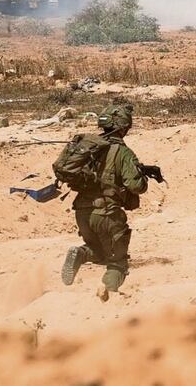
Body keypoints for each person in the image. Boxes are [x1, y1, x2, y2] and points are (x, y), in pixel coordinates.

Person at [60, 104, 149, 301]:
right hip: (107, 213)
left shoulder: (89, 147)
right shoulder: (122, 152)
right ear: (124, 127)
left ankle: (81, 253)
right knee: (118, 263)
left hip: (82, 212)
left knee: (99, 252)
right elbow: (136, 186)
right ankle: (107, 295)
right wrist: (143, 177)